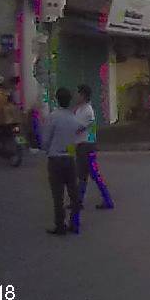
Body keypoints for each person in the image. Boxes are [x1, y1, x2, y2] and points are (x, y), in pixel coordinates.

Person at [42, 88, 86, 235]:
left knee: (58, 195)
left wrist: (48, 149)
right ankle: (75, 223)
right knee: (73, 194)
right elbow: (78, 134)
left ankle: (60, 225)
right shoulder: (74, 119)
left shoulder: (53, 117)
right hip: (69, 158)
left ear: (57, 100)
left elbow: (45, 140)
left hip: (55, 158)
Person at [73, 85, 114, 211]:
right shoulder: (80, 109)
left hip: (87, 146)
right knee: (82, 175)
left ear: (83, 95)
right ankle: (78, 201)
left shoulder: (88, 111)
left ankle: (107, 200)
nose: (76, 96)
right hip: (81, 145)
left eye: (78, 93)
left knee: (93, 174)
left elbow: (80, 128)